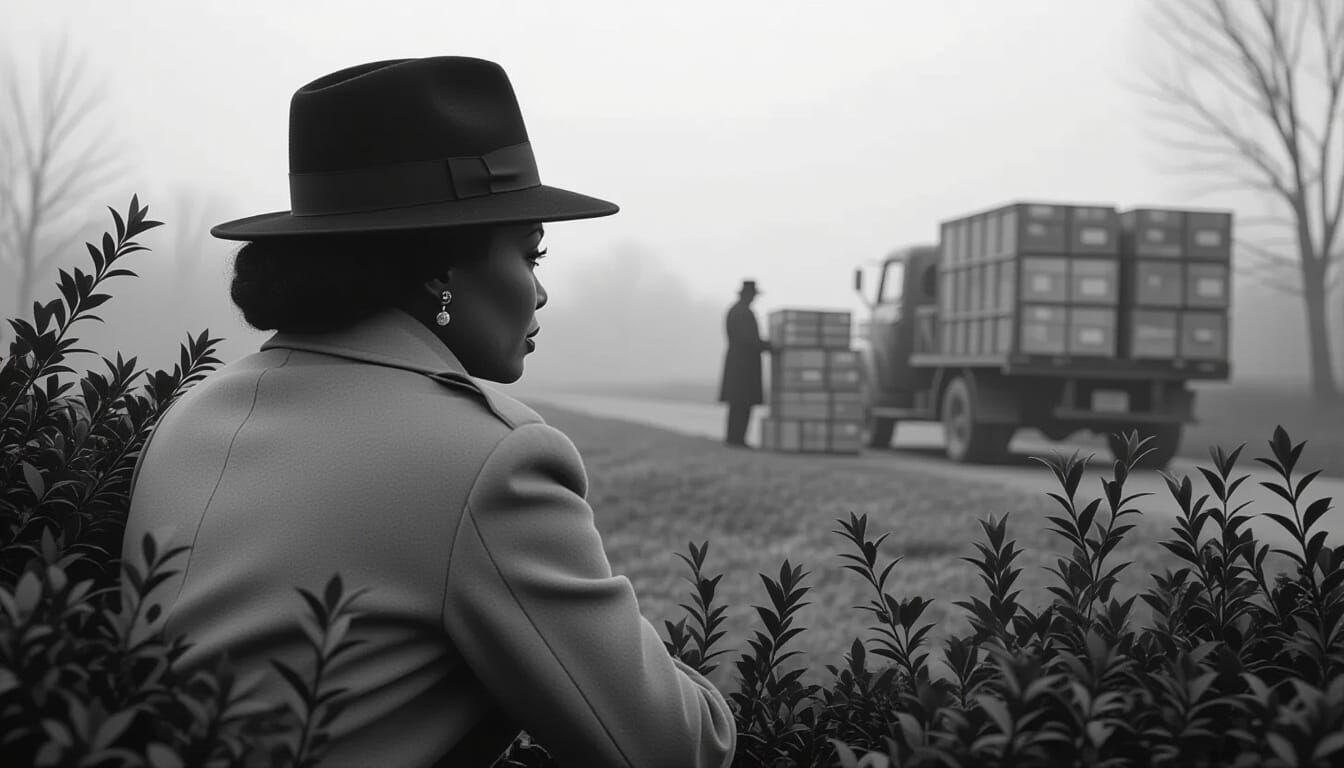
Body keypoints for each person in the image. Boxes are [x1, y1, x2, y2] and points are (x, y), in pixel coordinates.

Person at [120, 56, 736, 768]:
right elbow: (675, 749)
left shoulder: (195, 412)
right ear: (440, 268)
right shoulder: (484, 458)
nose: (540, 293)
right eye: (532, 255)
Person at [717, 279, 771, 446]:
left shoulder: (735, 311)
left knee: (737, 404)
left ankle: (734, 437)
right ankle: (736, 439)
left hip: (738, 362)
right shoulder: (743, 313)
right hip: (743, 365)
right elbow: (749, 339)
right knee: (742, 404)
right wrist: (769, 346)